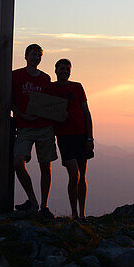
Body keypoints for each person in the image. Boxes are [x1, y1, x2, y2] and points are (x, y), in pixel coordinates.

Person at [11, 43, 56, 219]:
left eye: (39, 55)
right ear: (26, 56)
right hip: (24, 127)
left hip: (44, 127)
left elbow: (49, 102)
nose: (36, 57)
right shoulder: (16, 76)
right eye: (33, 54)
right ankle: (33, 200)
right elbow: (10, 100)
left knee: (45, 166)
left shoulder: (45, 78)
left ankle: (44, 205)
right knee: (17, 162)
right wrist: (22, 114)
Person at [50, 59, 94, 221]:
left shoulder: (77, 87)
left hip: (81, 135)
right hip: (64, 136)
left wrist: (90, 137)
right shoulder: (52, 88)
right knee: (73, 173)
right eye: (62, 69)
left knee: (82, 175)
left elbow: (86, 112)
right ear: (56, 70)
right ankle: (74, 213)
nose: (65, 72)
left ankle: (81, 213)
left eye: (68, 69)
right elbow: (47, 109)